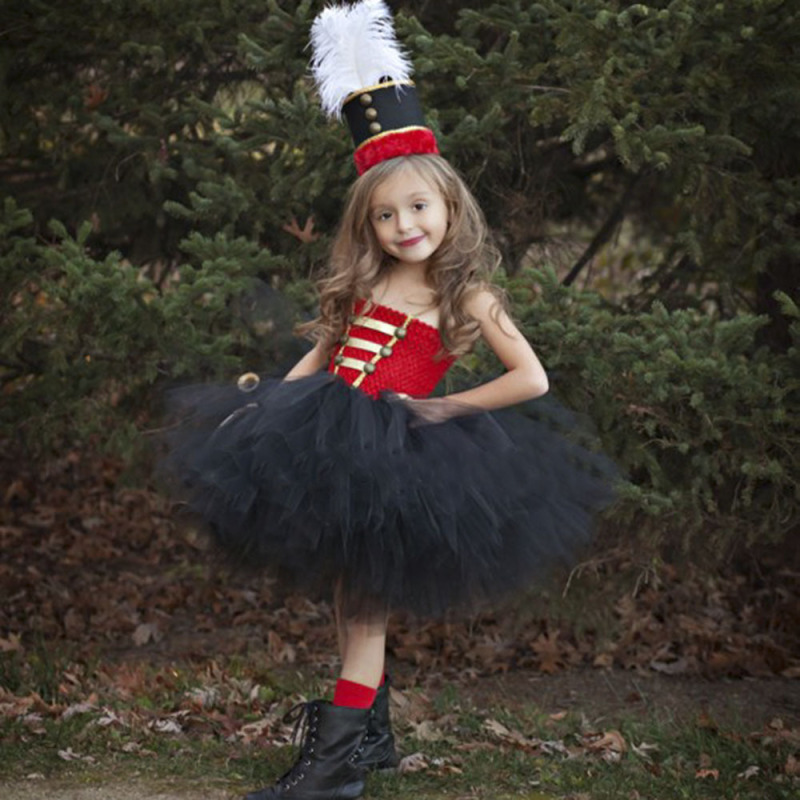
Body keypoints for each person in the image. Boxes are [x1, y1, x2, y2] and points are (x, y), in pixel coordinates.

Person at [165, 3, 615, 799]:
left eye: (418, 208)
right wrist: (272, 404)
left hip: (397, 455)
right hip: (331, 434)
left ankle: (334, 768)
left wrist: (446, 408)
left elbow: (531, 378)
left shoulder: (465, 294)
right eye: (385, 214)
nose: (404, 225)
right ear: (367, 223)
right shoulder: (368, 281)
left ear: (449, 209)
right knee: (349, 599)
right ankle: (368, 740)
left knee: (368, 605)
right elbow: (325, 352)